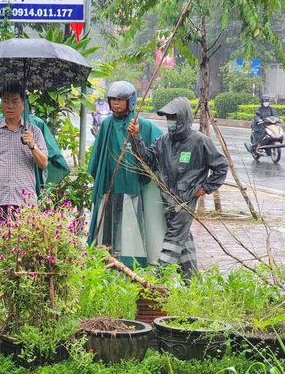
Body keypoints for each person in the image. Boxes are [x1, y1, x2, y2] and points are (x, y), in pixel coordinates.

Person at [127, 96, 228, 279]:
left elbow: (221, 166)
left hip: (185, 202)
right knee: (184, 240)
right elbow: (146, 160)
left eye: (174, 118)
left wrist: (205, 188)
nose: (170, 122)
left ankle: (156, 282)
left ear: (183, 118)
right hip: (167, 200)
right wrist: (136, 138)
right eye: (168, 118)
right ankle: (192, 282)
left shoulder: (200, 141)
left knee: (173, 240)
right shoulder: (163, 141)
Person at [87, 81, 166, 269]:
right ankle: (106, 260)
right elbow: (98, 157)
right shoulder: (106, 124)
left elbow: (160, 151)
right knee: (107, 226)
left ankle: (132, 265)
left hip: (132, 186)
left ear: (130, 101)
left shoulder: (142, 125)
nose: (115, 103)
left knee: (131, 226)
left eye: (120, 100)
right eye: (113, 99)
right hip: (110, 185)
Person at [0, 81, 48, 242]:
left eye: (15, 101)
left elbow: (43, 163)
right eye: (6, 100)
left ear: (23, 104)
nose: (9, 105)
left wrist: (32, 146)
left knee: (24, 250)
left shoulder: (34, 131)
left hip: (25, 202)